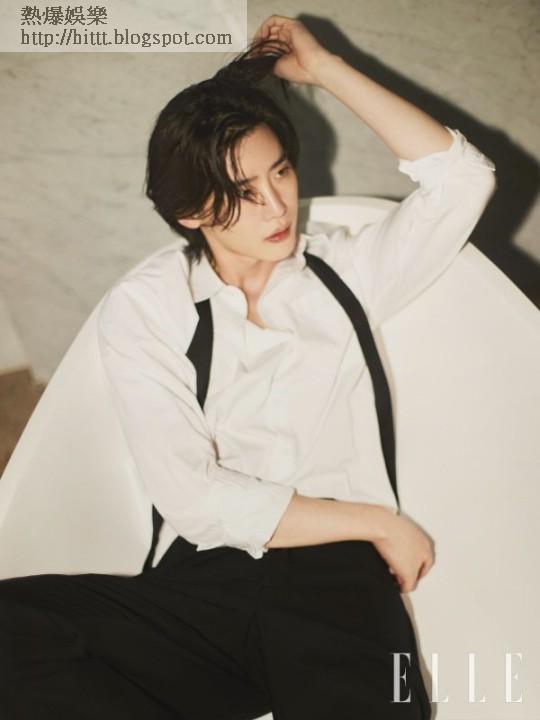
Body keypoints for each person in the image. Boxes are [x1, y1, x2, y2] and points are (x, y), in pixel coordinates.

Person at [0, 14, 496, 720]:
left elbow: (464, 180)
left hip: (340, 579)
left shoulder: (348, 272)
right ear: (190, 211)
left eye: (281, 171)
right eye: (243, 191)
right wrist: (381, 521)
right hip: (206, 580)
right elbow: (190, 494)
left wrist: (323, 69)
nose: (277, 205)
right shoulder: (149, 303)